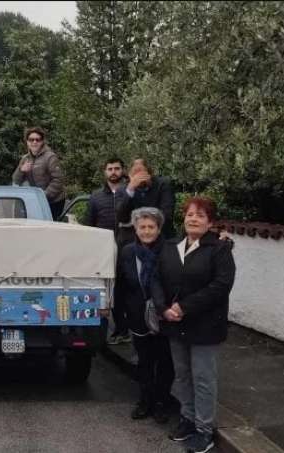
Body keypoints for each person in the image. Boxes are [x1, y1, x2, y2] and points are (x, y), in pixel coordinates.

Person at [151, 196, 236, 453]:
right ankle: (187, 419)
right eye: (190, 214)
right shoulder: (170, 245)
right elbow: (156, 278)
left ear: (210, 222)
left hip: (205, 326)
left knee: (203, 379)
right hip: (174, 323)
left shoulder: (220, 249)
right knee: (183, 375)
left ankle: (204, 430)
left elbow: (221, 286)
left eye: (200, 215)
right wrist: (163, 307)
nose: (193, 218)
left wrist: (184, 307)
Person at [114, 207, 174, 424]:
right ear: (136, 229)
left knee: (165, 363)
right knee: (144, 362)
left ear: (159, 229)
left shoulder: (171, 250)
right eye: (142, 227)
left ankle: (161, 403)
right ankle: (145, 401)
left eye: (151, 227)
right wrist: (118, 315)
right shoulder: (128, 251)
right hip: (137, 315)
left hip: (164, 316)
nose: (147, 231)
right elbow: (121, 285)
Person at [84, 157, 131, 345]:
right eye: (110, 169)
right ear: (105, 172)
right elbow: (89, 224)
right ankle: (102, 334)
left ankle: (123, 330)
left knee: (123, 292)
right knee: (104, 292)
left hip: (127, 248)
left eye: (117, 168)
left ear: (123, 170)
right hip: (103, 251)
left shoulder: (130, 192)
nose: (113, 172)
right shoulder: (96, 196)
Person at [11, 127, 66, 221]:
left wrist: (43, 195)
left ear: (42, 141)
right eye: (31, 139)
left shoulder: (50, 157)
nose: (34, 142)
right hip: (37, 201)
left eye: (38, 139)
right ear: (27, 142)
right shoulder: (25, 158)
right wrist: (21, 170)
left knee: (49, 228)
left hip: (54, 201)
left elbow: (58, 180)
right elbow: (16, 180)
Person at [116, 158, 175, 244]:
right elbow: (121, 217)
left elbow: (167, 215)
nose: (138, 175)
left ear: (149, 173)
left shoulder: (162, 185)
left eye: (141, 171)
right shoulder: (123, 190)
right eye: (135, 172)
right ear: (129, 175)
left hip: (160, 238)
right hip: (132, 241)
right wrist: (130, 189)